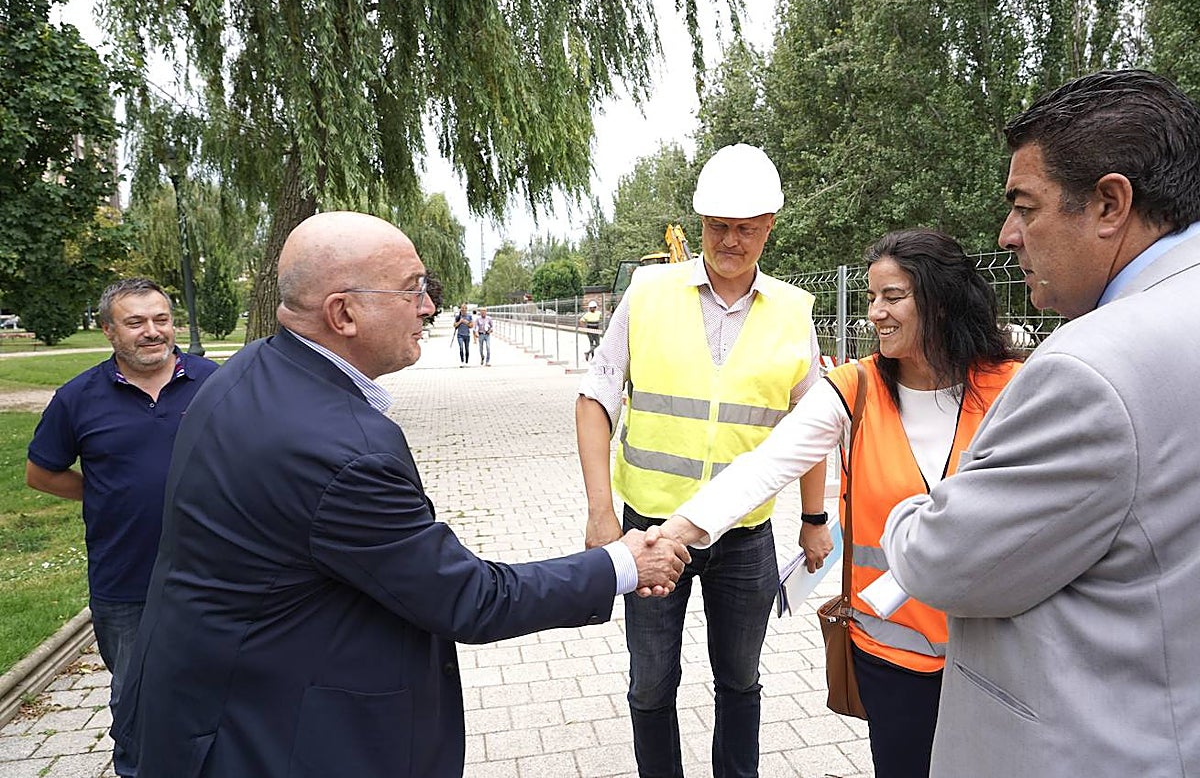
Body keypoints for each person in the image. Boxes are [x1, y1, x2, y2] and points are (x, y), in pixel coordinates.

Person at [111, 212, 690, 778]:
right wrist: (621, 563)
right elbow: (470, 598)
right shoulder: (340, 451)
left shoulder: (248, 371)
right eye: (412, 290)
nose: (430, 307)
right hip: (270, 738)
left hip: (208, 706)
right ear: (344, 314)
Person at [879, 70, 1200, 776]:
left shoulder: (1091, 368)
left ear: (1110, 203)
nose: (1009, 234)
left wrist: (907, 512)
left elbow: (946, 557)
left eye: (1025, 206)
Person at [651, 229, 1022, 778]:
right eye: (871, 298)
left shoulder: (1012, 387)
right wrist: (672, 534)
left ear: (940, 299)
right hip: (895, 657)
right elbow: (765, 467)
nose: (875, 313)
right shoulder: (855, 389)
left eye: (892, 297)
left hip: (997, 652)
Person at [576, 143, 827, 778]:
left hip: (745, 537)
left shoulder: (794, 311)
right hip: (651, 530)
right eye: (718, 227)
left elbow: (813, 423)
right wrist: (600, 514)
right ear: (701, 222)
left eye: (746, 228)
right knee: (651, 682)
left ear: (769, 226)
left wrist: (815, 517)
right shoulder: (649, 291)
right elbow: (595, 398)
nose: (731, 242)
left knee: (741, 679)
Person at [25, 277, 219, 778]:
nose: (152, 331)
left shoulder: (215, 382)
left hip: (216, 575)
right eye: (135, 322)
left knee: (223, 692)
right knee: (134, 702)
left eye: (161, 319)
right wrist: (104, 493)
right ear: (110, 331)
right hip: (126, 580)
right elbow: (40, 473)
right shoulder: (78, 397)